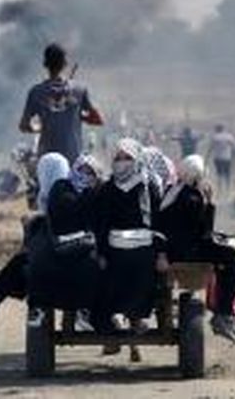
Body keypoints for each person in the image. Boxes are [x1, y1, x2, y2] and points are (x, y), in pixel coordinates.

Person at [0, 153, 102, 318]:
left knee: (24, 260)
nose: (84, 176)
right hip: (66, 256)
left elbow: (74, 215)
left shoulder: (62, 193)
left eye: (90, 173)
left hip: (67, 261)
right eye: (82, 170)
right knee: (23, 259)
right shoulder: (64, 191)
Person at [156, 155, 235, 343]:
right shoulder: (192, 197)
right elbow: (205, 232)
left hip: (175, 250)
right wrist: (210, 203)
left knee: (233, 262)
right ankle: (224, 313)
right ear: (197, 175)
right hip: (188, 252)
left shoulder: (173, 192)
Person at [91, 138, 168, 335]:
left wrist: (161, 254)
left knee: (145, 269)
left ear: (137, 159)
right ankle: (117, 313)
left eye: (127, 157)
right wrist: (100, 252)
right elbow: (101, 223)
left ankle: (138, 316)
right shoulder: (108, 189)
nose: (122, 162)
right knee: (113, 271)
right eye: (118, 158)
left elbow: (158, 221)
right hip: (114, 244)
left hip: (145, 244)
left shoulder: (149, 187)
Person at [19, 43, 104, 163]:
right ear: (65, 64)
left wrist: (38, 128)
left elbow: (23, 126)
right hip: (74, 160)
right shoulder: (79, 89)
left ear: (45, 64)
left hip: (47, 160)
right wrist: (79, 116)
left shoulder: (35, 92)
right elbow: (98, 120)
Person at [207, 124, 235, 195]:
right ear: (223, 129)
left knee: (219, 174)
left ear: (217, 129)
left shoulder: (215, 137)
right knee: (227, 174)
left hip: (218, 158)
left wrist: (207, 158)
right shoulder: (229, 137)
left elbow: (210, 149)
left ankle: (220, 190)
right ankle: (228, 189)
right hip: (227, 158)